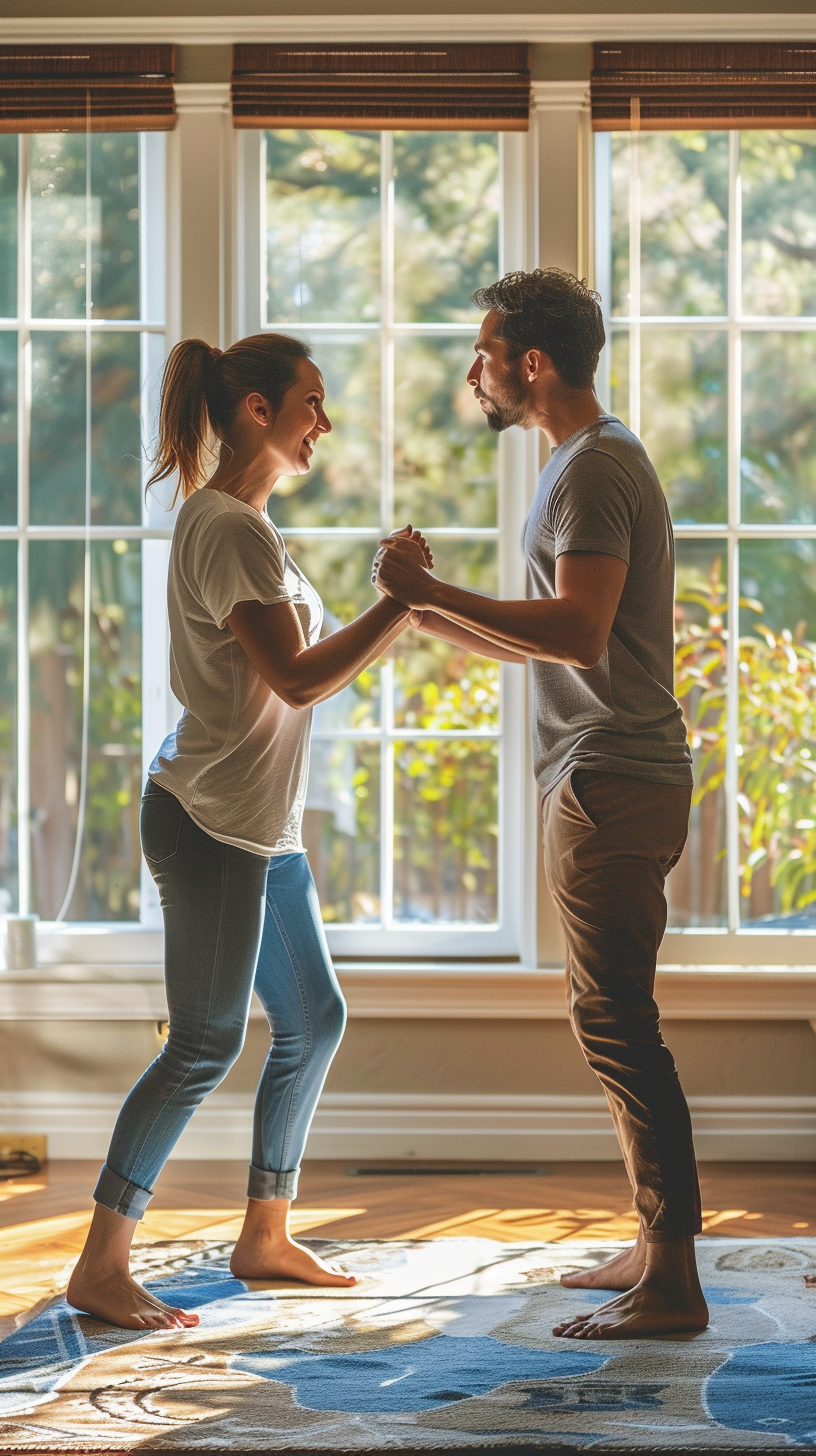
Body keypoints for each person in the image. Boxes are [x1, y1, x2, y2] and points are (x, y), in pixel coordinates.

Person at [67, 333, 430, 1331]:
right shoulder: (228, 526)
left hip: (258, 825)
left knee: (311, 1018)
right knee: (204, 1041)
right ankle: (101, 1264)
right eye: (312, 401)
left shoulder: (246, 524)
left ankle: (264, 1234)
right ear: (261, 412)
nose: (326, 420)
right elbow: (301, 677)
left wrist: (402, 606)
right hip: (210, 821)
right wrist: (400, 602)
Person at [373, 268, 707, 1341]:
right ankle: (654, 1247)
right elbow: (552, 635)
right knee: (605, 1017)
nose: (472, 370)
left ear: (530, 362)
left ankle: (675, 1280)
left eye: (483, 351)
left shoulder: (594, 468)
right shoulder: (581, 462)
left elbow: (577, 633)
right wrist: (433, 621)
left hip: (613, 777)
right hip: (608, 772)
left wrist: (434, 593)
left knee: (618, 1025)